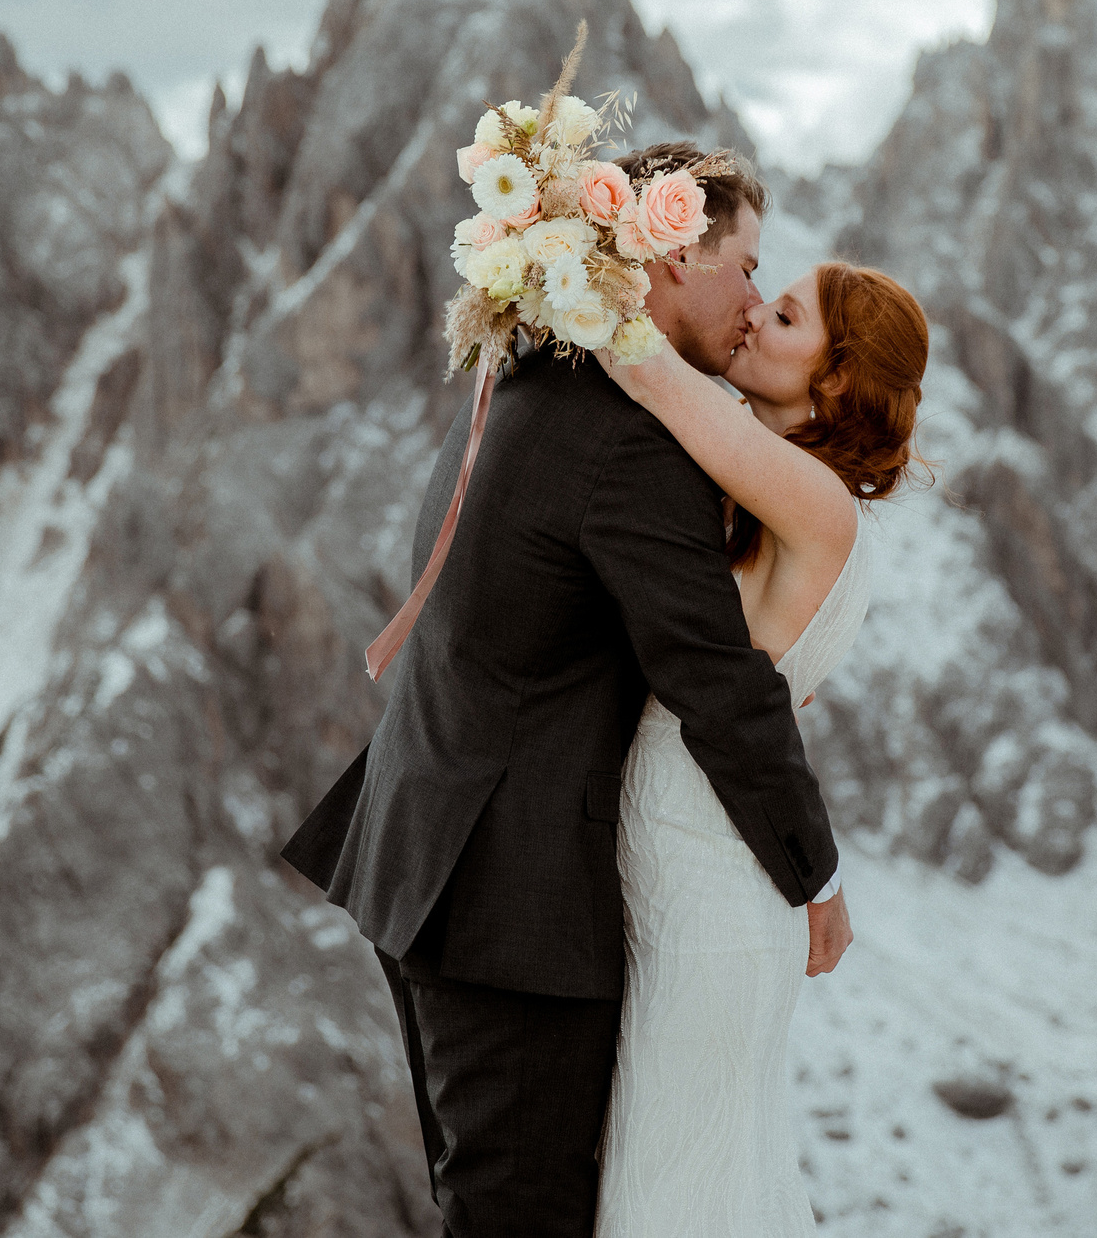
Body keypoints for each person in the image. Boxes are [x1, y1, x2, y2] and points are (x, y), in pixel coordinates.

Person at [281, 142, 844, 1237]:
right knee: (519, 1214)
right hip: (508, 903)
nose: (755, 299)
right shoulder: (627, 444)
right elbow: (716, 682)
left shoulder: (533, 375)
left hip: (434, 854)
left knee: (491, 1201)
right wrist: (813, 873)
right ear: (673, 255)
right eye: (745, 266)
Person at [593, 249, 928, 1237]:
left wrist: (566, 239)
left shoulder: (812, 501)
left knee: (666, 1195)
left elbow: (643, 364)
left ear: (831, 381)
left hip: (708, 901)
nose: (750, 319)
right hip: (692, 870)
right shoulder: (780, 491)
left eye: (782, 318)